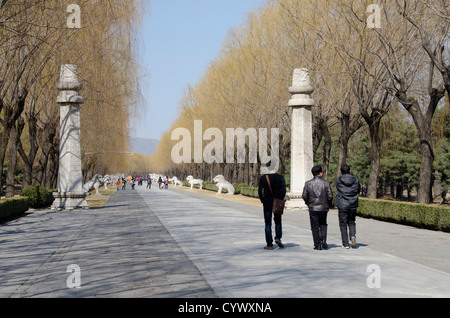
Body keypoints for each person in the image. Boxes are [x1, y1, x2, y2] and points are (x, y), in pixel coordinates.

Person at [302, 165, 333, 250]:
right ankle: (323, 239)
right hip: (323, 207)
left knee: (314, 226)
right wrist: (327, 204)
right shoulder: (326, 183)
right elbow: (330, 196)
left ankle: (317, 244)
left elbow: (304, 195)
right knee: (323, 224)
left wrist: (308, 203)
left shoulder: (308, 183)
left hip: (313, 207)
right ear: (320, 173)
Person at [258, 161, 287, 250]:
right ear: (275, 167)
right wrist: (280, 199)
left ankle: (269, 244)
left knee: (267, 223)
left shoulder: (263, 178)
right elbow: (283, 190)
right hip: (277, 202)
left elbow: (260, 191)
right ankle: (278, 237)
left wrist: (263, 200)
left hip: (267, 202)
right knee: (278, 221)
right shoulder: (280, 177)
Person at [335, 164, 361, 249]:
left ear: (341, 172)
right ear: (350, 171)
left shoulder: (339, 180)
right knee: (352, 222)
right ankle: (352, 236)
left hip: (342, 204)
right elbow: (358, 190)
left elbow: (338, 189)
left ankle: (345, 243)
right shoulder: (356, 180)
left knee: (343, 224)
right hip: (353, 203)